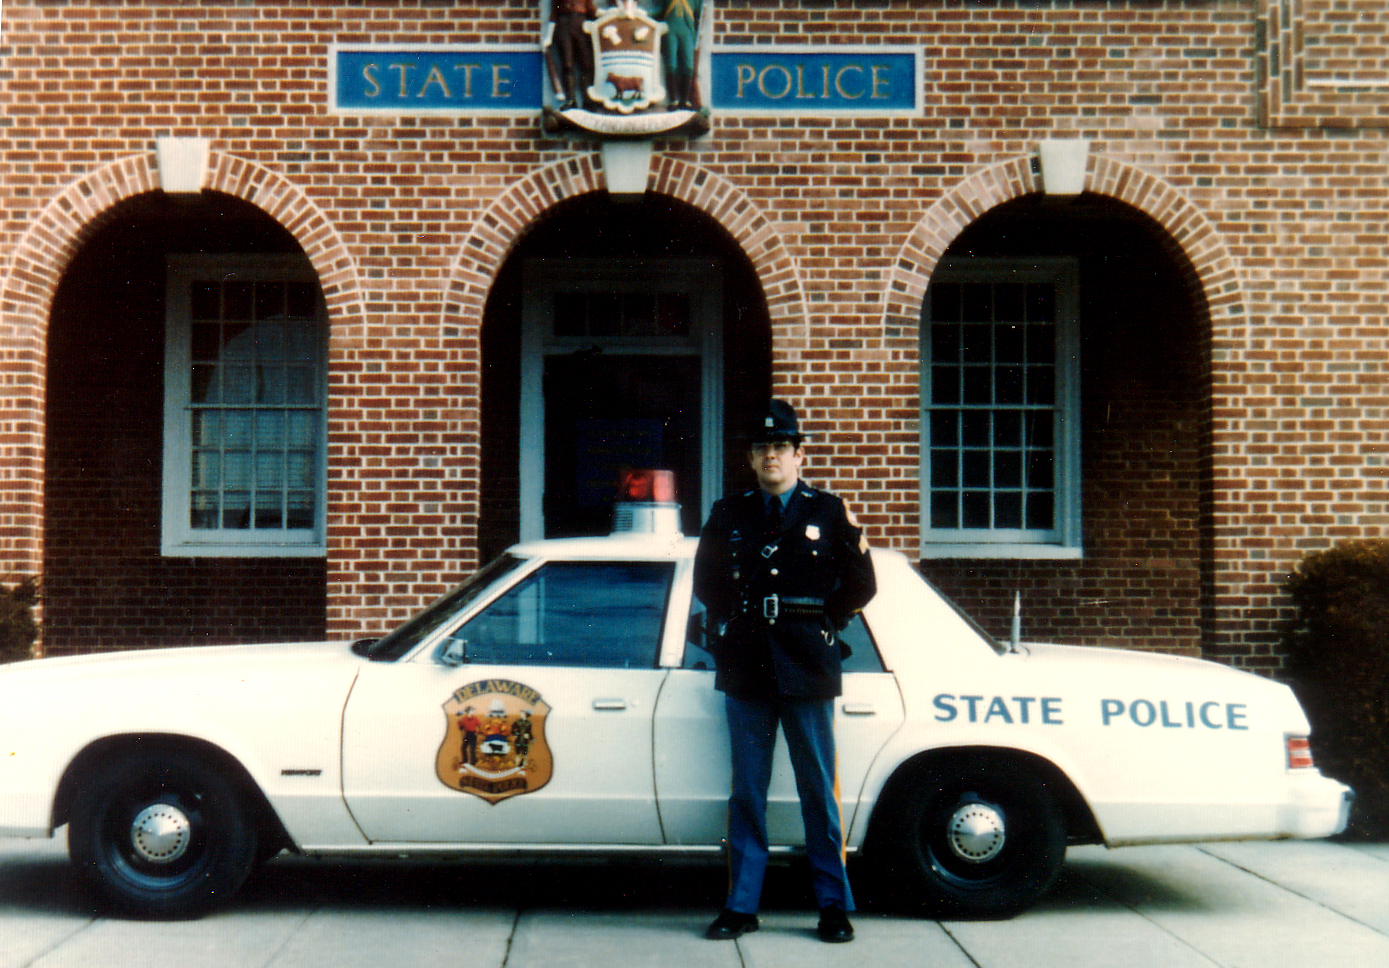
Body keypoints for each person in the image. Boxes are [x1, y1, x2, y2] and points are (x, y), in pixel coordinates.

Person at [693, 400, 876, 944]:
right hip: (747, 660)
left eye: (781, 447)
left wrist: (822, 621)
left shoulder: (829, 511)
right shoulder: (729, 514)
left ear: (800, 454)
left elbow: (862, 584)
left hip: (808, 661)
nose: (771, 455)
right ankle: (742, 904)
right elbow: (708, 583)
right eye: (761, 448)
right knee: (747, 790)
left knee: (817, 788)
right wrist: (741, 623)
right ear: (751, 458)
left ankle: (832, 904)